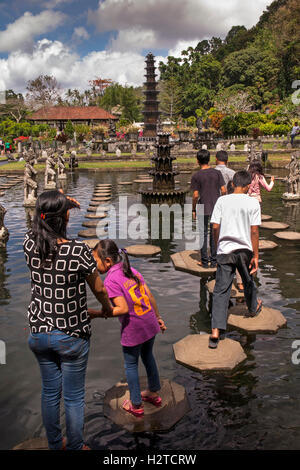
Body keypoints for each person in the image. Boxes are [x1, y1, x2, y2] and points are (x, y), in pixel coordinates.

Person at [23, 190, 112, 450]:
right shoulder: (78, 251)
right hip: (71, 334)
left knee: (50, 392)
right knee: (73, 397)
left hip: (38, 333)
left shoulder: (30, 243)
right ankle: (74, 446)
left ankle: (55, 444)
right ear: (64, 219)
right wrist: (106, 308)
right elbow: (99, 289)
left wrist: (59, 204)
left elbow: (39, 220)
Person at [89, 239, 166, 418]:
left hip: (134, 327)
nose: (94, 266)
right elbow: (149, 295)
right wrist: (158, 317)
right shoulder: (132, 270)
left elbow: (122, 309)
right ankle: (153, 392)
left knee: (131, 364)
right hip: (148, 321)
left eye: (95, 261)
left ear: (107, 261)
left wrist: (96, 313)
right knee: (148, 356)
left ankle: (136, 404)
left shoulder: (110, 280)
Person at [208, 170, 263, 348]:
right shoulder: (253, 202)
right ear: (248, 186)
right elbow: (254, 231)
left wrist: (217, 245)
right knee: (247, 281)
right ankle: (253, 307)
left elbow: (215, 227)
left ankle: (216, 330)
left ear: (233, 183)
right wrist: (255, 255)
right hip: (244, 250)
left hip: (225, 249)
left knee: (221, 289)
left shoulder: (222, 200)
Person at [191, 149, 226, 268]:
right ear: (209, 160)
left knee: (203, 234)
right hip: (216, 206)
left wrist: (193, 209)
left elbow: (195, 195)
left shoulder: (196, 176)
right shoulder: (217, 173)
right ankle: (214, 261)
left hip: (202, 206)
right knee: (214, 233)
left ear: (197, 161)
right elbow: (224, 190)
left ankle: (204, 262)